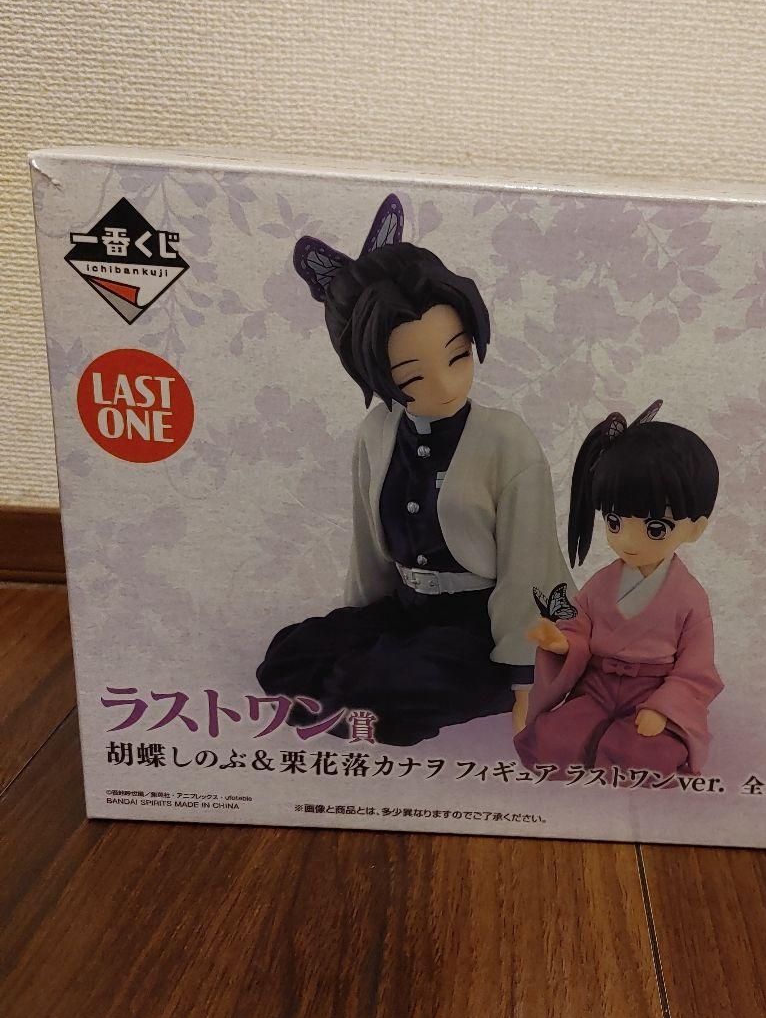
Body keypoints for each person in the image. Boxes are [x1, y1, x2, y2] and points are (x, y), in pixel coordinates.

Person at [257, 199, 569, 746]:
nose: (446, 386)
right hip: (406, 608)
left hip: (481, 625)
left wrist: (526, 676)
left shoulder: (506, 439)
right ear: (374, 374)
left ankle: (414, 688)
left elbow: (531, 563)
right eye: (411, 376)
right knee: (289, 655)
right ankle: (371, 680)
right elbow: (368, 548)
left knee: (381, 685)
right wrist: (357, 625)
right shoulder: (376, 433)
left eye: (459, 356)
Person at [514, 401, 723, 776]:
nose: (627, 540)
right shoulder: (602, 583)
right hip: (596, 686)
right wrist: (562, 643)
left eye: (655, 528)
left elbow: (696, 668)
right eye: (614, 522)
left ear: (695, 528)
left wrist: (664, 708)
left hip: (652, 690)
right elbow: (579, 626)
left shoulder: (690, 597)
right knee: (552, 741)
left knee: (640, 755)